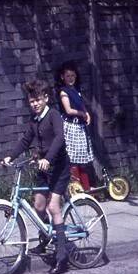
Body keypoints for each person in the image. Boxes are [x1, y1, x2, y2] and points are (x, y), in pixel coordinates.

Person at [2, 79, 70, 274]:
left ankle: (62, 257)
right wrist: (10, 156)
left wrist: (48, 158)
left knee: (53, 207)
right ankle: (45, 238)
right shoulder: (34, 121)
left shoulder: (54, 115)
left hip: (59, 167)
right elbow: (25, 141)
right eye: (31, 101)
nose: (35, 104)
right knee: (39, 206)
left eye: (38, 100)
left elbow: (59, 138)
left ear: (46, 99)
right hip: (44, 168)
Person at [56, 61, 94, 192]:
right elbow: (68, 110)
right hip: (70, 127)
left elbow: (81, 105)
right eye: (68, 76)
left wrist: (87, 113)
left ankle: (86, 189)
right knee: (72, 158)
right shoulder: (63, 92)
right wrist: (82, 113)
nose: (71, 78)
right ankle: (75, 189)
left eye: (73, 75)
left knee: (82, 158)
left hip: (79, 127)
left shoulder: (76, 91)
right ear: (62, 77)